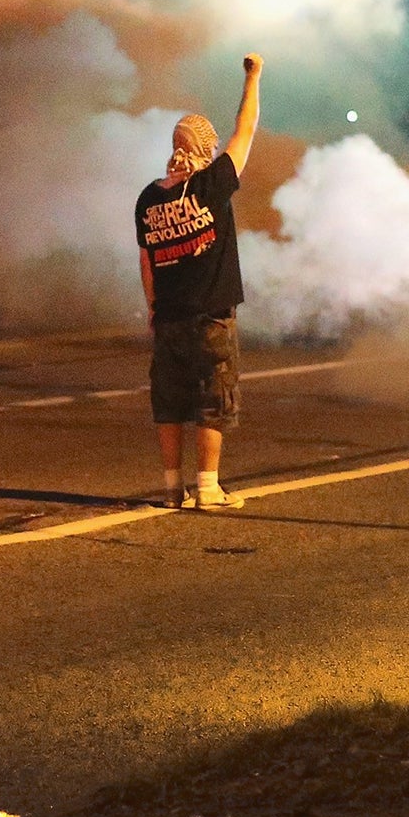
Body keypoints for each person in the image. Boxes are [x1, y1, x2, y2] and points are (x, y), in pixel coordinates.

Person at [135, 54, 263, 510]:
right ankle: (208, 487)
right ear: (206, 150)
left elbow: (147, 261)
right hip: (211, 318)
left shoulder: (149, 198)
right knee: (215, 397)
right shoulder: (212, 185)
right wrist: (254, 78)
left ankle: (172, 489)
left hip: (168, 321)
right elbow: (244, 129)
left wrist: (153, 308)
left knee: (169, 404)